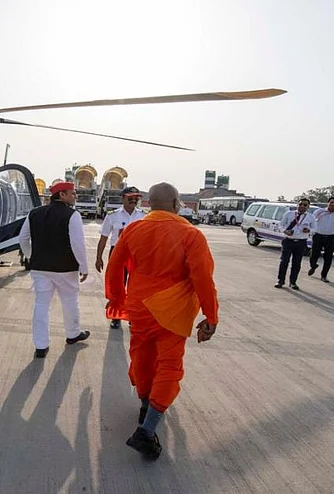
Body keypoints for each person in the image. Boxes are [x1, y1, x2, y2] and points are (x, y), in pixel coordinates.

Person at [105, 182, 219, 460]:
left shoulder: (133, 229)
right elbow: (203, 279)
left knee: (142, 357)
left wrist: (117, 298)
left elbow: (115, 267)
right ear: (176, 204)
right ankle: (147, 429)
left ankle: (146, 404)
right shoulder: (191, 235)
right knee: (169, 365)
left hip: (139, 307)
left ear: (150, 204)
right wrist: (211, 315)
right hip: (172, 310)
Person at [19, 181, 90, 358]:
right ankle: (72, 334)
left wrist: (31, 256)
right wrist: (83, 266)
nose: (75, 196)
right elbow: (78, 244)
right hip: (66, 268)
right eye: (72, 193)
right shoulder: (72, 215)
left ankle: (41, 345)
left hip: (40, 268)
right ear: (62, 195)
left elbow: (23, 238)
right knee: (70, 301)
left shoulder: (34, 213)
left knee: (41, 304)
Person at [96, 186, 146, 328]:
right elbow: (104, 237)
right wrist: (99, 258)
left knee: (136, 287)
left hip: (137, 254)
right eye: (130, 198)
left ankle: (133, 316)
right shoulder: (113, 216)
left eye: (136, 198)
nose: (133, 200)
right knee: (117, 286)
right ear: (123, 198)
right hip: (118, 253)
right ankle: (116, 316)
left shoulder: (144, 216)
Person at [275, 198, 314, 290]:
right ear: (297, 205)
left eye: (305, 205)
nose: (302, 206)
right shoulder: (289, 214)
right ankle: (280, 280)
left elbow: (315, 228)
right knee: (284, 261)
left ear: (308, 207)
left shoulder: (310, 217)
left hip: (301, 242)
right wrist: (285, 231)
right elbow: (281, 225)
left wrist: (309, 230)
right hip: (288, 241)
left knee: (296, 263)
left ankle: (293, 282)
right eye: (300, 204)